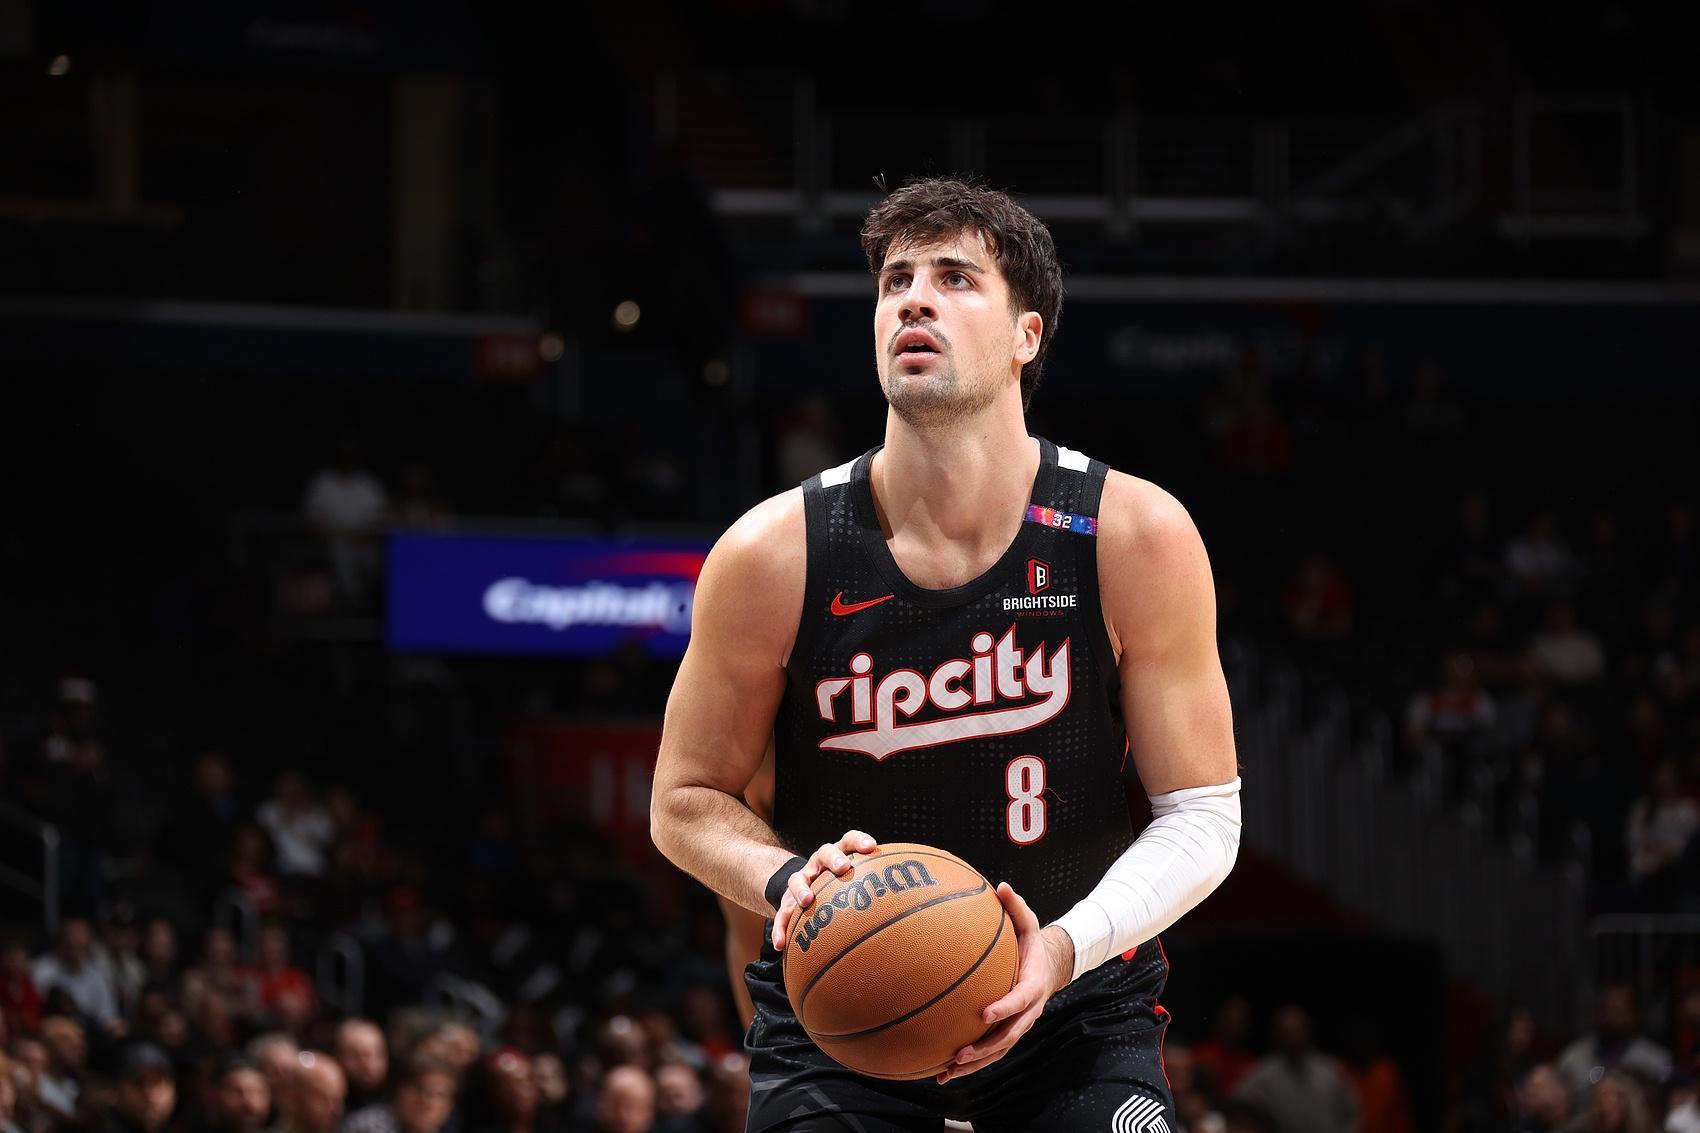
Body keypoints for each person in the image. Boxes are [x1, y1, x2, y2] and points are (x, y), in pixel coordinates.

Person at [651, 177, 1243, 1131]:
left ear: (1026, 335)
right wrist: (787, 881)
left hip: (1075, 1004)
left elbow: (1204, 815)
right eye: (896, 280)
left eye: (956, 278)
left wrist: (1064, 947)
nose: (914, 299)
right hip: (846, 1017)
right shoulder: (771, 554)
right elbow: (683, 800)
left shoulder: (1131, 533)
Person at [1231, 1007, 1358, 1133]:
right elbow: (1236, 1103)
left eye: (1296, 1032)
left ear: (1308, 1032)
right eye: (1286, 1033)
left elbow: (1352, 1112)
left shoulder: (1331, 1070)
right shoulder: (1263, 1074)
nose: (1292, 1040)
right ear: (1277, 1036)